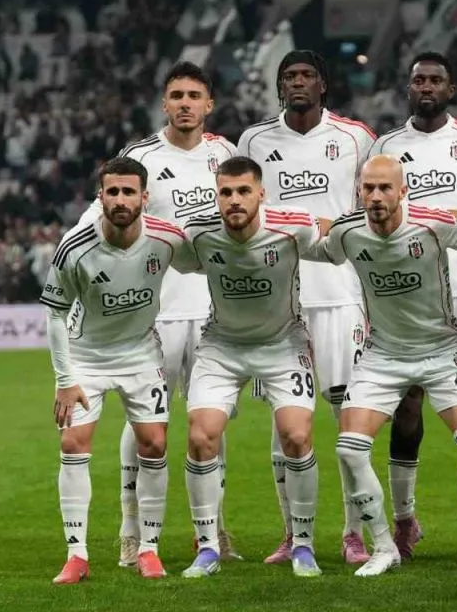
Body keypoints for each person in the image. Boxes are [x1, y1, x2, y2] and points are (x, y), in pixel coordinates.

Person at [78, 61, 240, 566]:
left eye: (194, 95)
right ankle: (131, 531)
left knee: (210, 422)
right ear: (164, 103)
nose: (185, 104)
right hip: (156, 310)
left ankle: (212, 530)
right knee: (143, 419)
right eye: (176, 95)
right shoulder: (139, 156)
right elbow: (99, 217)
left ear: (209, 103)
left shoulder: (227, 154)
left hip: (214, 310)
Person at [315, 155, 457, 577]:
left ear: (403, 191)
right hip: (383, 354)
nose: (376, 196)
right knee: (349, 449)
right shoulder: (347, 232)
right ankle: (383, 546)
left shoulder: (434, 223)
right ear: (359, 191)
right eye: (368, 188)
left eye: (384, 188)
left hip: (443, 349)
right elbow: (306, 242)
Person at [237, 50, 377, 565]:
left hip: (341, 295)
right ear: (280, 87)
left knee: (348, 419)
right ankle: (292, 534)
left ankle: (353, 533)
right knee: (286, 425)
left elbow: (375, 207)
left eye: (307, 75)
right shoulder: (253, 141)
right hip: (278, 302)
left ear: (323, 85)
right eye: (289, 76)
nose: (298, 82)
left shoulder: (356, 138)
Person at [366, 52, 457, 559]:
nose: (426, 87)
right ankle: (405, 520)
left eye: (435, 80)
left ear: (451, 88)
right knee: (407, 407)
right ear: (408, 88)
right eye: (418, 80)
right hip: (403, 295)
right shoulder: (386, 147)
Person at [43, 157, 197, 584]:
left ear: (145, 197)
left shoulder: (167, 238)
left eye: (129, 192)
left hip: (141, 354)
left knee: (154, 444)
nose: (121, 200)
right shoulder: (75, 246)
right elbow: (55, 313)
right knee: (73, 443)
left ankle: (148, 549)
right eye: (112, 191)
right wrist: (65, 380)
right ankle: (76, 555)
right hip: (86, 356)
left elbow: (207, 261)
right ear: (101, 196)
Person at [176, 157, 323, 579]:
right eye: (226, 192)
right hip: (222, 346)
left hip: (283, 344)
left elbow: (334, 237)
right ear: (216, 196)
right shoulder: (198, 233)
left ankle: (303, 544)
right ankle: (208, 547)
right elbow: (165, 251)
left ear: (261, 193)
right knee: (201, 436)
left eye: (243, 191)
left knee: (296, 436)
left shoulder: (293, 226)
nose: (235, 200)